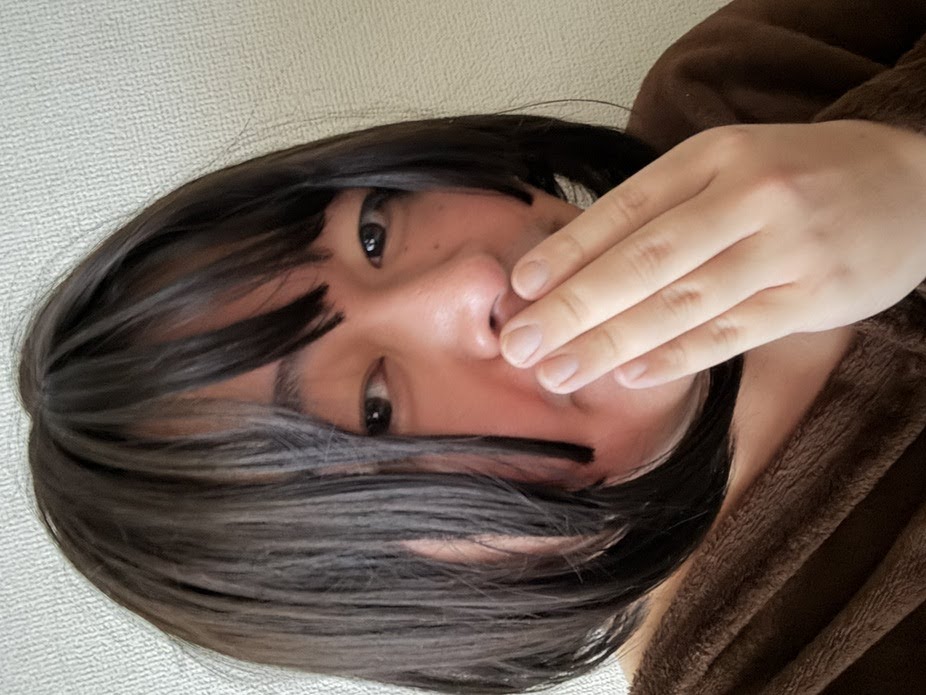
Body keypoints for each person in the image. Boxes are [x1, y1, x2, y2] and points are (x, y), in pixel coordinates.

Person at [15, 1, 925, 694]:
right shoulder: (792, 665)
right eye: (376, 407)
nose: (467, 283)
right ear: (419, 592)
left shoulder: (734, 92)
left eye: (373, 234)